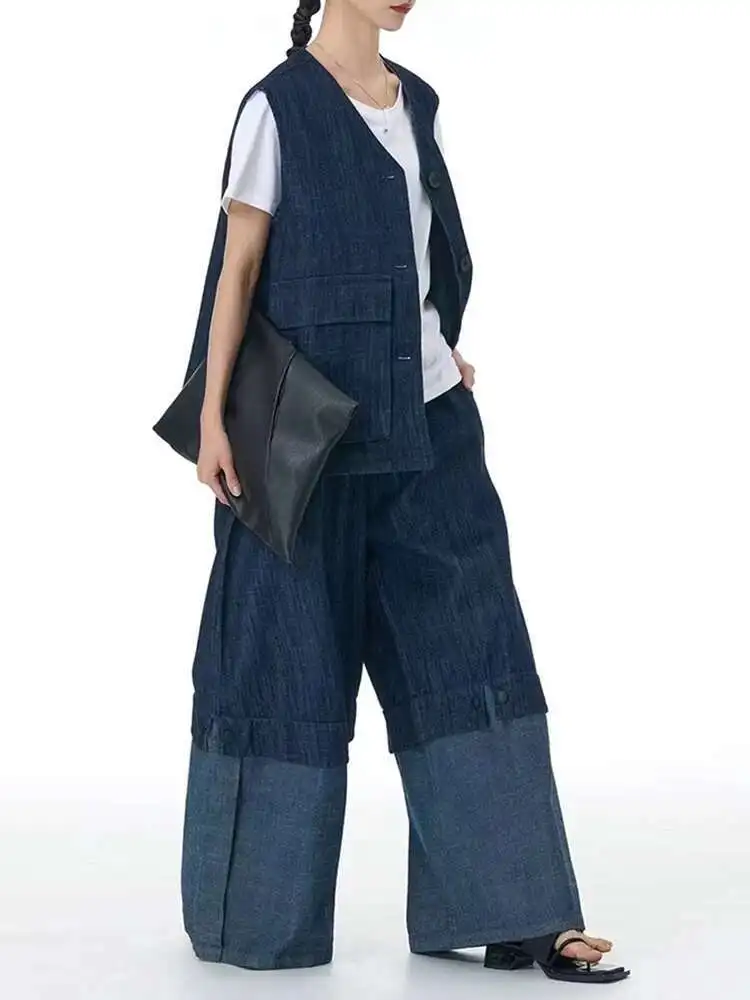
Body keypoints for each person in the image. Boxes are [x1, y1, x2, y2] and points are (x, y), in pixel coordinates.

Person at [177, 0, 630, 984]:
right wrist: (212, 416)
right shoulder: (276, 109)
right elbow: (238, 270)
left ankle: (523, 915)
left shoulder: (417, 103)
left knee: (474, 654)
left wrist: (438, 352)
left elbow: (424, 262)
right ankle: (254, 920)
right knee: (280, 666)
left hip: (430, 434)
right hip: (304, 449)